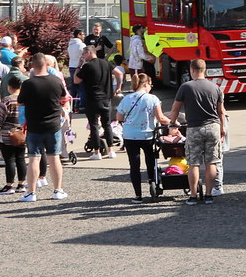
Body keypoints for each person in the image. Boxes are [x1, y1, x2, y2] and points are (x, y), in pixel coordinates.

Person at [168, 59, 226, 205]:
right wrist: (223, 127)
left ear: (192, 70)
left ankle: (193, 196)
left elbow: (175, 108)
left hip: (194, 128)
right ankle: (208, 195)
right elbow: (221, 111)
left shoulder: (186, 87)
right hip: (213, 127)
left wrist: (172, 123)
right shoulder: (215, 87)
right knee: (211, 162)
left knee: (193, 163)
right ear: (205, 70)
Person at [17, 53, 68, 202]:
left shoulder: (28, 83)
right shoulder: (56, 81)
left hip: (34, 126)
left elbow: (20, 102)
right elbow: (63, 98)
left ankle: (31, 193)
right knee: (54, 158)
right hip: (53, 125)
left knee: (33, 158)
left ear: (32, 65)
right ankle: (58, 190)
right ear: (46, 64)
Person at [118, 73, 169, 203]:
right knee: (150, 160)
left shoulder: (126, 98)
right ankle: (152, 182)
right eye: (150, 85)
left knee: (134, 165)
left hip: (130, 136)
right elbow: (161, 118)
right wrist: (174, 123)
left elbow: (119, 117)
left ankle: (138, 195)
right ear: (145, 84)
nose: (151, 87)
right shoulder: (152, 99)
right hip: (147, 135)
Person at [74, 45, 114, 160]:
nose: (82, 56)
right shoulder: (106, 63)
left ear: (88, 53)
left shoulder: (87, 66)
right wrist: (118, 87)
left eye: (83, 54)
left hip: (92, 99)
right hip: (106, 98)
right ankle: (111, 150)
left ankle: (97, 152)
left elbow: (76, 80)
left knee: (94, 126)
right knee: (107, 124)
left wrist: (78, 66)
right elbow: (119, 73)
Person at [0, 75, 27, 194]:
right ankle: (21, 184)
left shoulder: (7, 100)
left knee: (10, 160)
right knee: (21, 159)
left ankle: (9, 185)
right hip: (21, 133)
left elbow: (0, 118)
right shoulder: (24, 100)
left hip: (8, 133)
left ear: (10, 87)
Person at [127, 25, 155, 91]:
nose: (144, 30)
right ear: (138, 31)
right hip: (136, 65)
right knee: (138, 83)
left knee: (136, 82)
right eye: (142, 28)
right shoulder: (138, 41)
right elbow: (141, 54)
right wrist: (150, 58)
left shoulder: (133, 39)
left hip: (133, 64)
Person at [67, 29, 85, 98]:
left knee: (73, 87)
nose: (84, 36)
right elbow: (85, 54)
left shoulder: (70, 45)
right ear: (78, 35)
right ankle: (81, 105)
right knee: (81, 87)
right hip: (79, 67)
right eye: (82, 34)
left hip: (71, 66)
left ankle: (72, 104)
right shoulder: (81, 45)